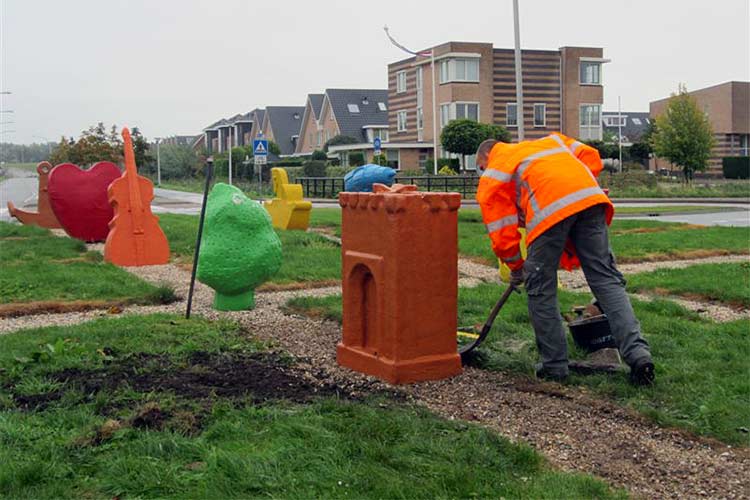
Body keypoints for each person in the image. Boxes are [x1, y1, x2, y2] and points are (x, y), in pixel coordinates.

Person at [475, 133, 654, 385]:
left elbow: (500, 226)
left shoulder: (496, 167)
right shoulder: (551, 142)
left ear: (484, 157)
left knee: (541, 289)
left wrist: (516, 266)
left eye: (480, 168)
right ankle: (639, 356)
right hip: (590, 199)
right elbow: (591, 156)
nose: (482, 172)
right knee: (607, 281)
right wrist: (580, 185)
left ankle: (554, 366)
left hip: (551, 211)